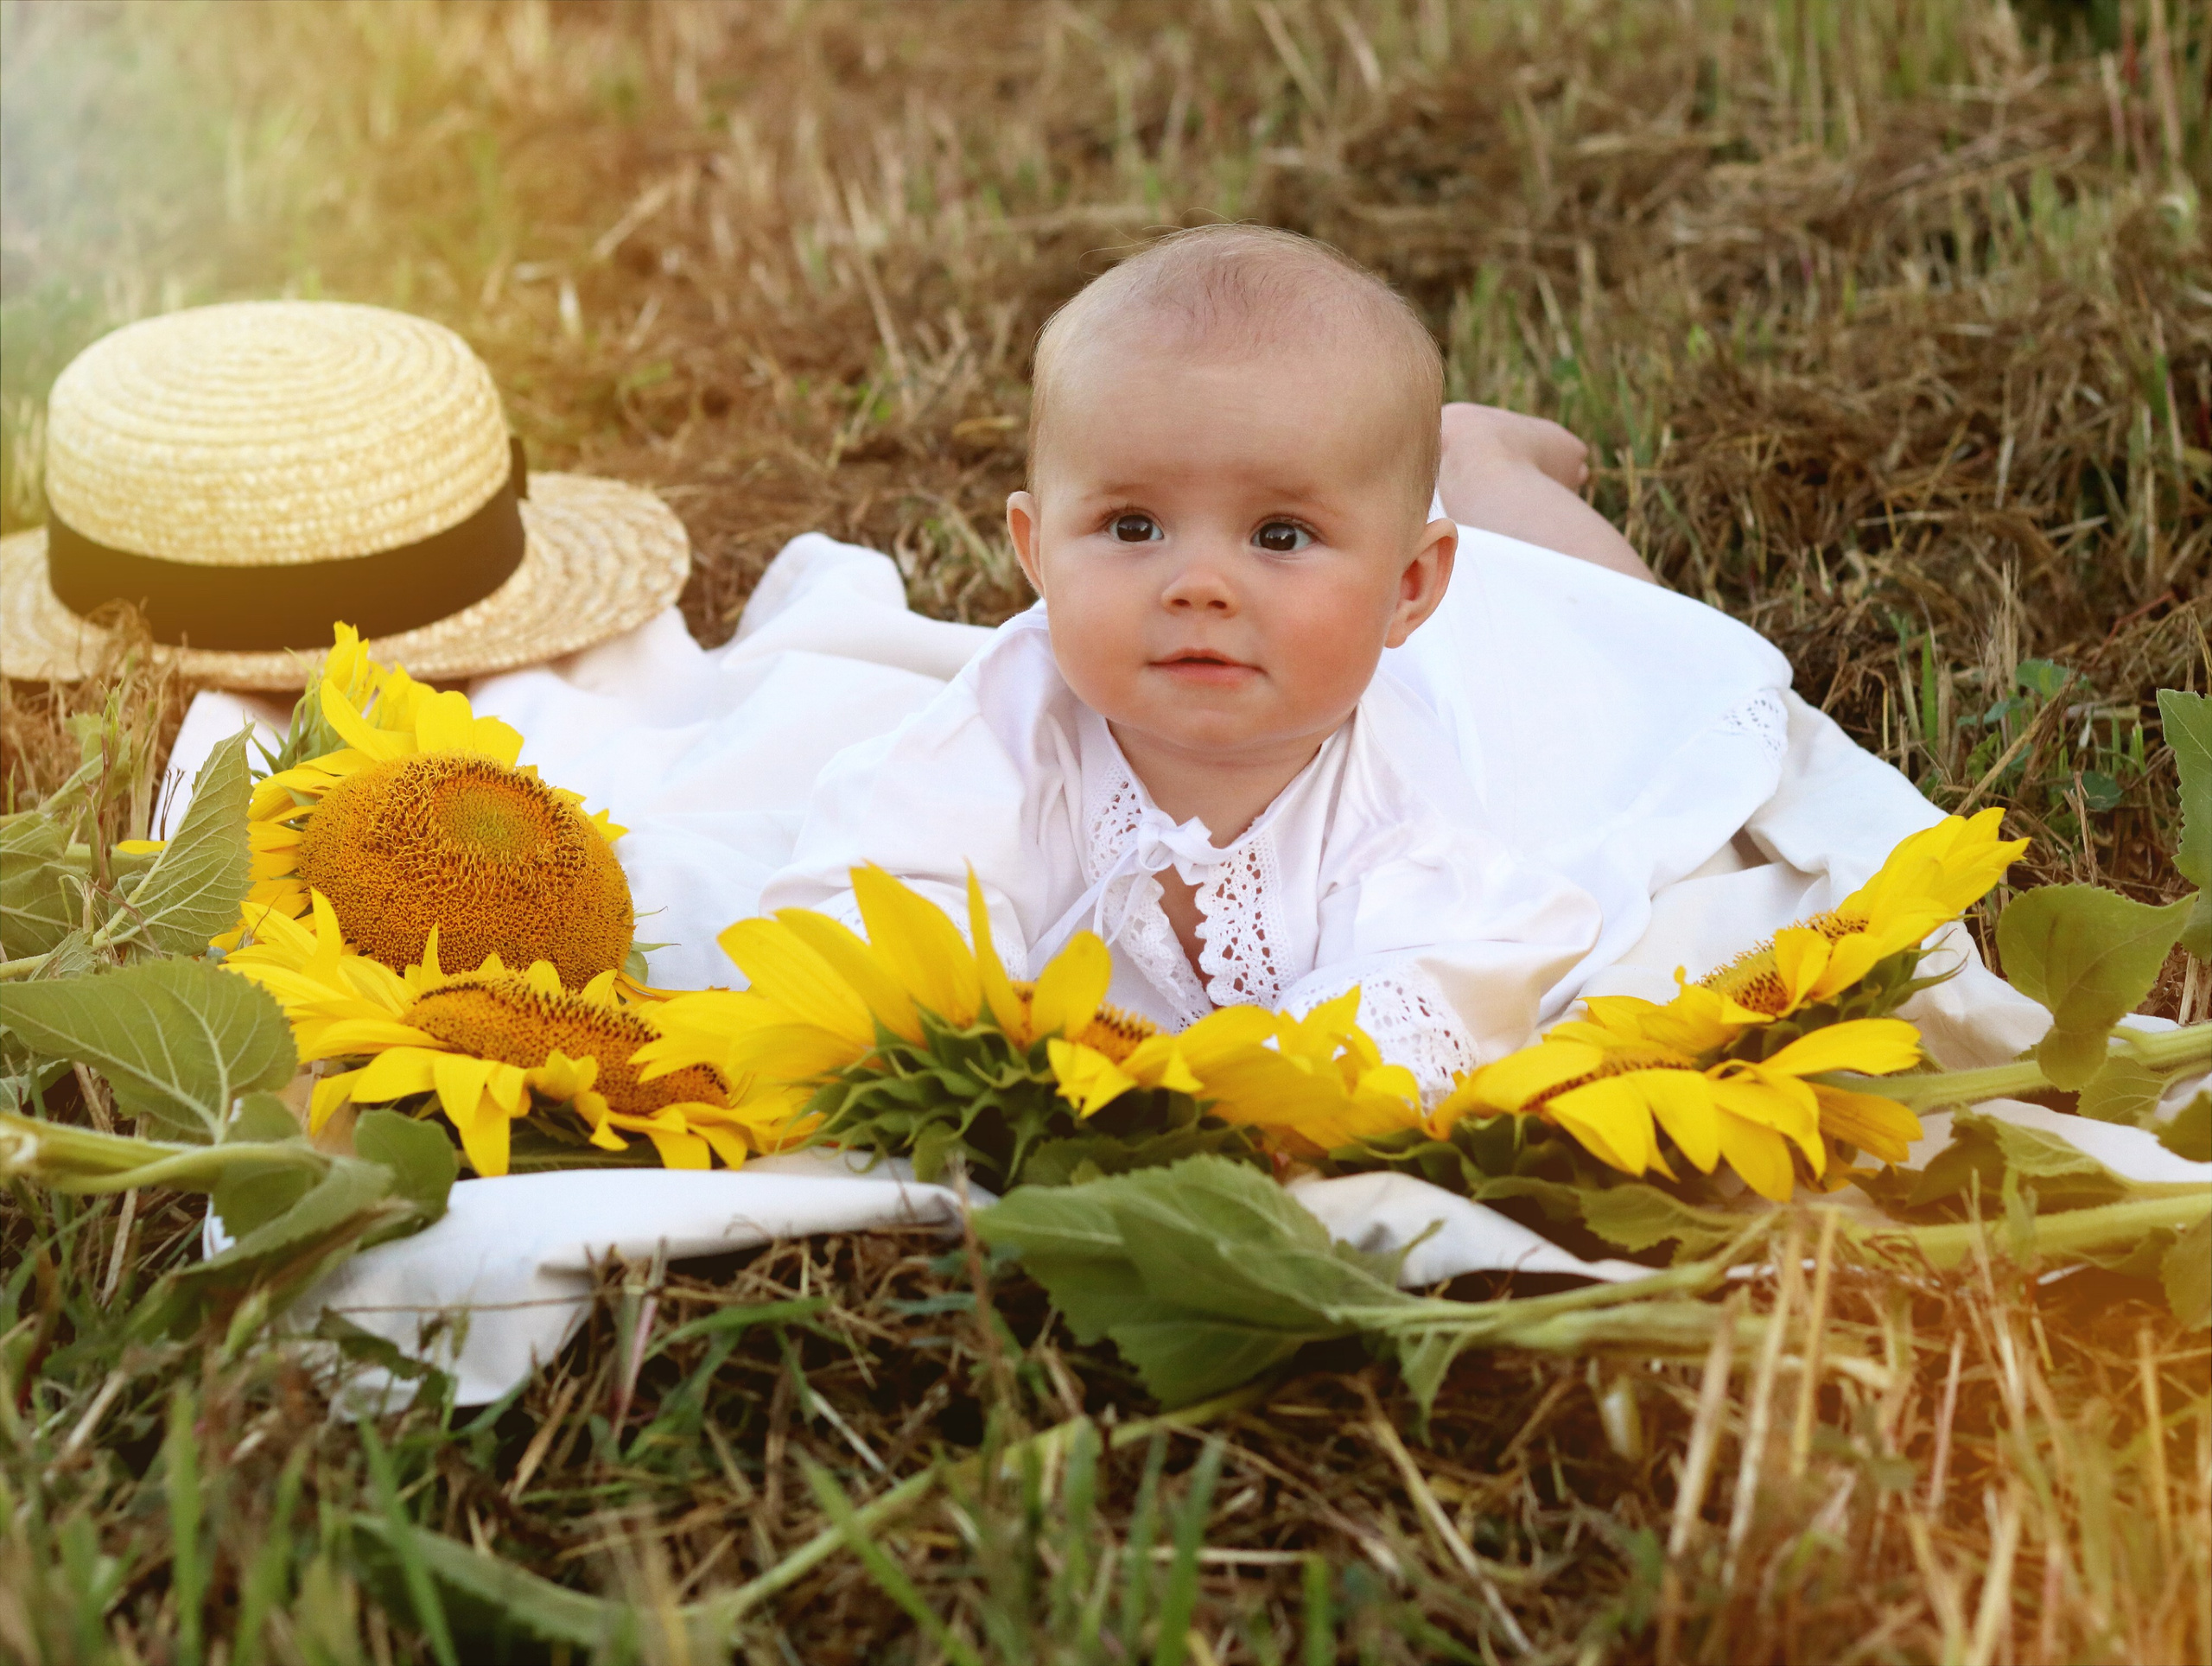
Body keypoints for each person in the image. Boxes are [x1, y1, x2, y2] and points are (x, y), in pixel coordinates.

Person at [760, 226, 1700, 1097]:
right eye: (1134, 525)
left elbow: (1439, 985)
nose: (1198, 584)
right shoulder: (1018, 709)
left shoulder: (1407, 815)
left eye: (1279, 533)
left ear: (1408, 586)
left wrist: (1249, 1086)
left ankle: (1483, 461)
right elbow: (878, 879)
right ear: (1037, 549)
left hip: (1503, 674)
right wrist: (976, 1029)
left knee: (1629, 633)